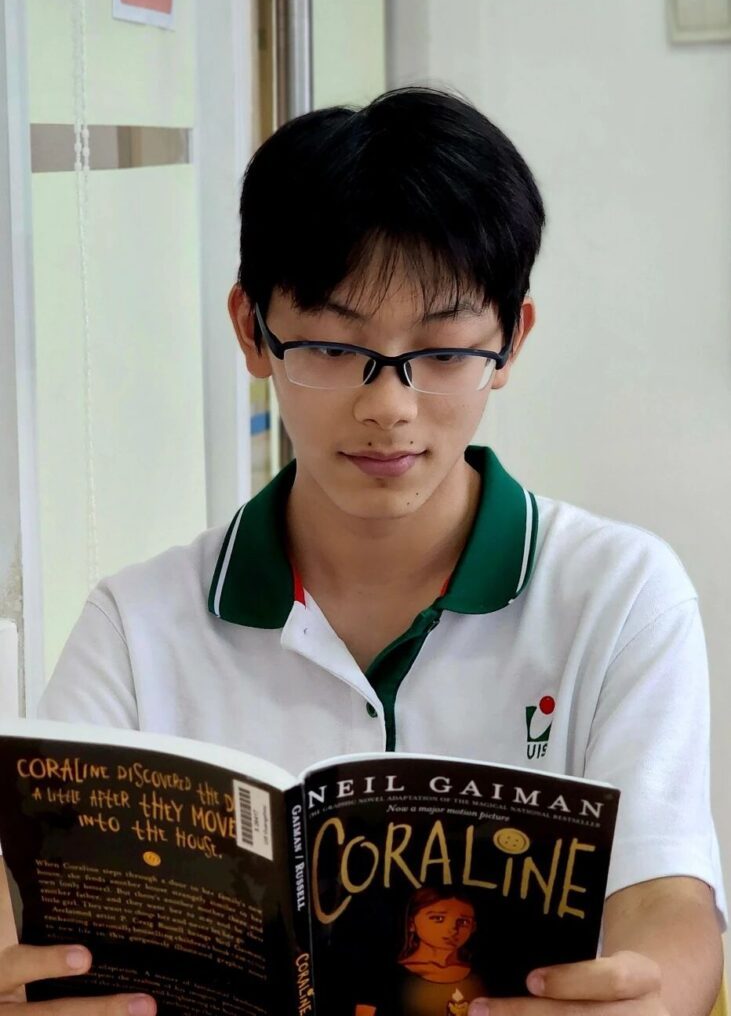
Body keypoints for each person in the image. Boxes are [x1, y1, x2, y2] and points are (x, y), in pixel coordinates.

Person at [0, 87, 725, 1016]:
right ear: (252, 331)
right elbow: (35, 900)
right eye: (335, 348)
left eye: (443, 352)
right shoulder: (136, 627)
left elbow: (669, 903)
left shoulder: (618, 596)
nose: (389, 406)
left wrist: (650, 999)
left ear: (510, 342)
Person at [354, 886, 487, 1016]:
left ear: (473, 927)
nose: (453, 929)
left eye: (463, 921)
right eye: (438, 918)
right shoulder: (382, 976)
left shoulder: (482, 976)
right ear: (411, 924)